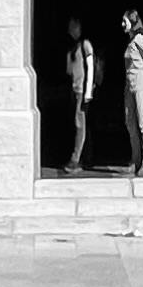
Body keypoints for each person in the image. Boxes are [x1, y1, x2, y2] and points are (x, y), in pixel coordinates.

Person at [120, 7, 143, 179]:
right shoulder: (129, 41)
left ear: (132, 22)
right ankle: (135, 160)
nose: (122, 24)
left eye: (125, 21)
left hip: (141, 86)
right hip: (130, 87)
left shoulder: (140, 39)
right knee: (130, 123)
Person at [61, 17, 96, 174]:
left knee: (80, 125)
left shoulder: (85, 45)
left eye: (75, 27)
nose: (72, 31)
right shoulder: (72, 49)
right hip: (75, 91)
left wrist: (88, 93)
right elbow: (70, 72)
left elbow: (91, 69)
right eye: (71, 28)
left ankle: (76, 159)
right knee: (80, 125)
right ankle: (84, 157)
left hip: (83, 92)